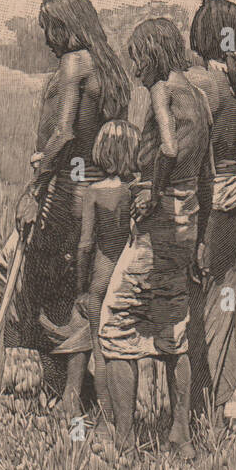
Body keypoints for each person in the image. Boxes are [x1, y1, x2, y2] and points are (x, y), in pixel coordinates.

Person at [0, 0, 131, 418]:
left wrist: (34, 189)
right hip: (102, 193)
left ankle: (65, 391)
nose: (46, 39)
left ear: (66, 26)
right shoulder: (110, 67)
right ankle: (74, 389)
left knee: (21, 275)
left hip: (67, 193)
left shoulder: (74, 64)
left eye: (48, 29)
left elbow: (65, 133)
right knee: (78, 289)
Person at [98, 17, 213, 459]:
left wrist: (153, 191)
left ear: (151, 56)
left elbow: (167, 148)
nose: (135, 71)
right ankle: (180, 437)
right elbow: (208, 174)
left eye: (137, 60)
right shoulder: (200, 97)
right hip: (187, 226)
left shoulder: (162, 90)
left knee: (115, 324)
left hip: (159, 225)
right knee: (173, 330)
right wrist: (200, 241)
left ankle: (124, 444)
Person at [184, 0, 236, 425]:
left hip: (199, 203)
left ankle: (194, 410)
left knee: (190, 302)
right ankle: (214, 408)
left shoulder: (195, 83)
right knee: (225, 303)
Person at [74, 119, 139, 418]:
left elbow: (86, 244)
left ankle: (106, 418)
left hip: (100, 278)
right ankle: (124, 414)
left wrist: (80, 288)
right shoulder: (133, 192)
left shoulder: (94, 192)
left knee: (100, 354)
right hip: (125, 278)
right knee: (124, 353)